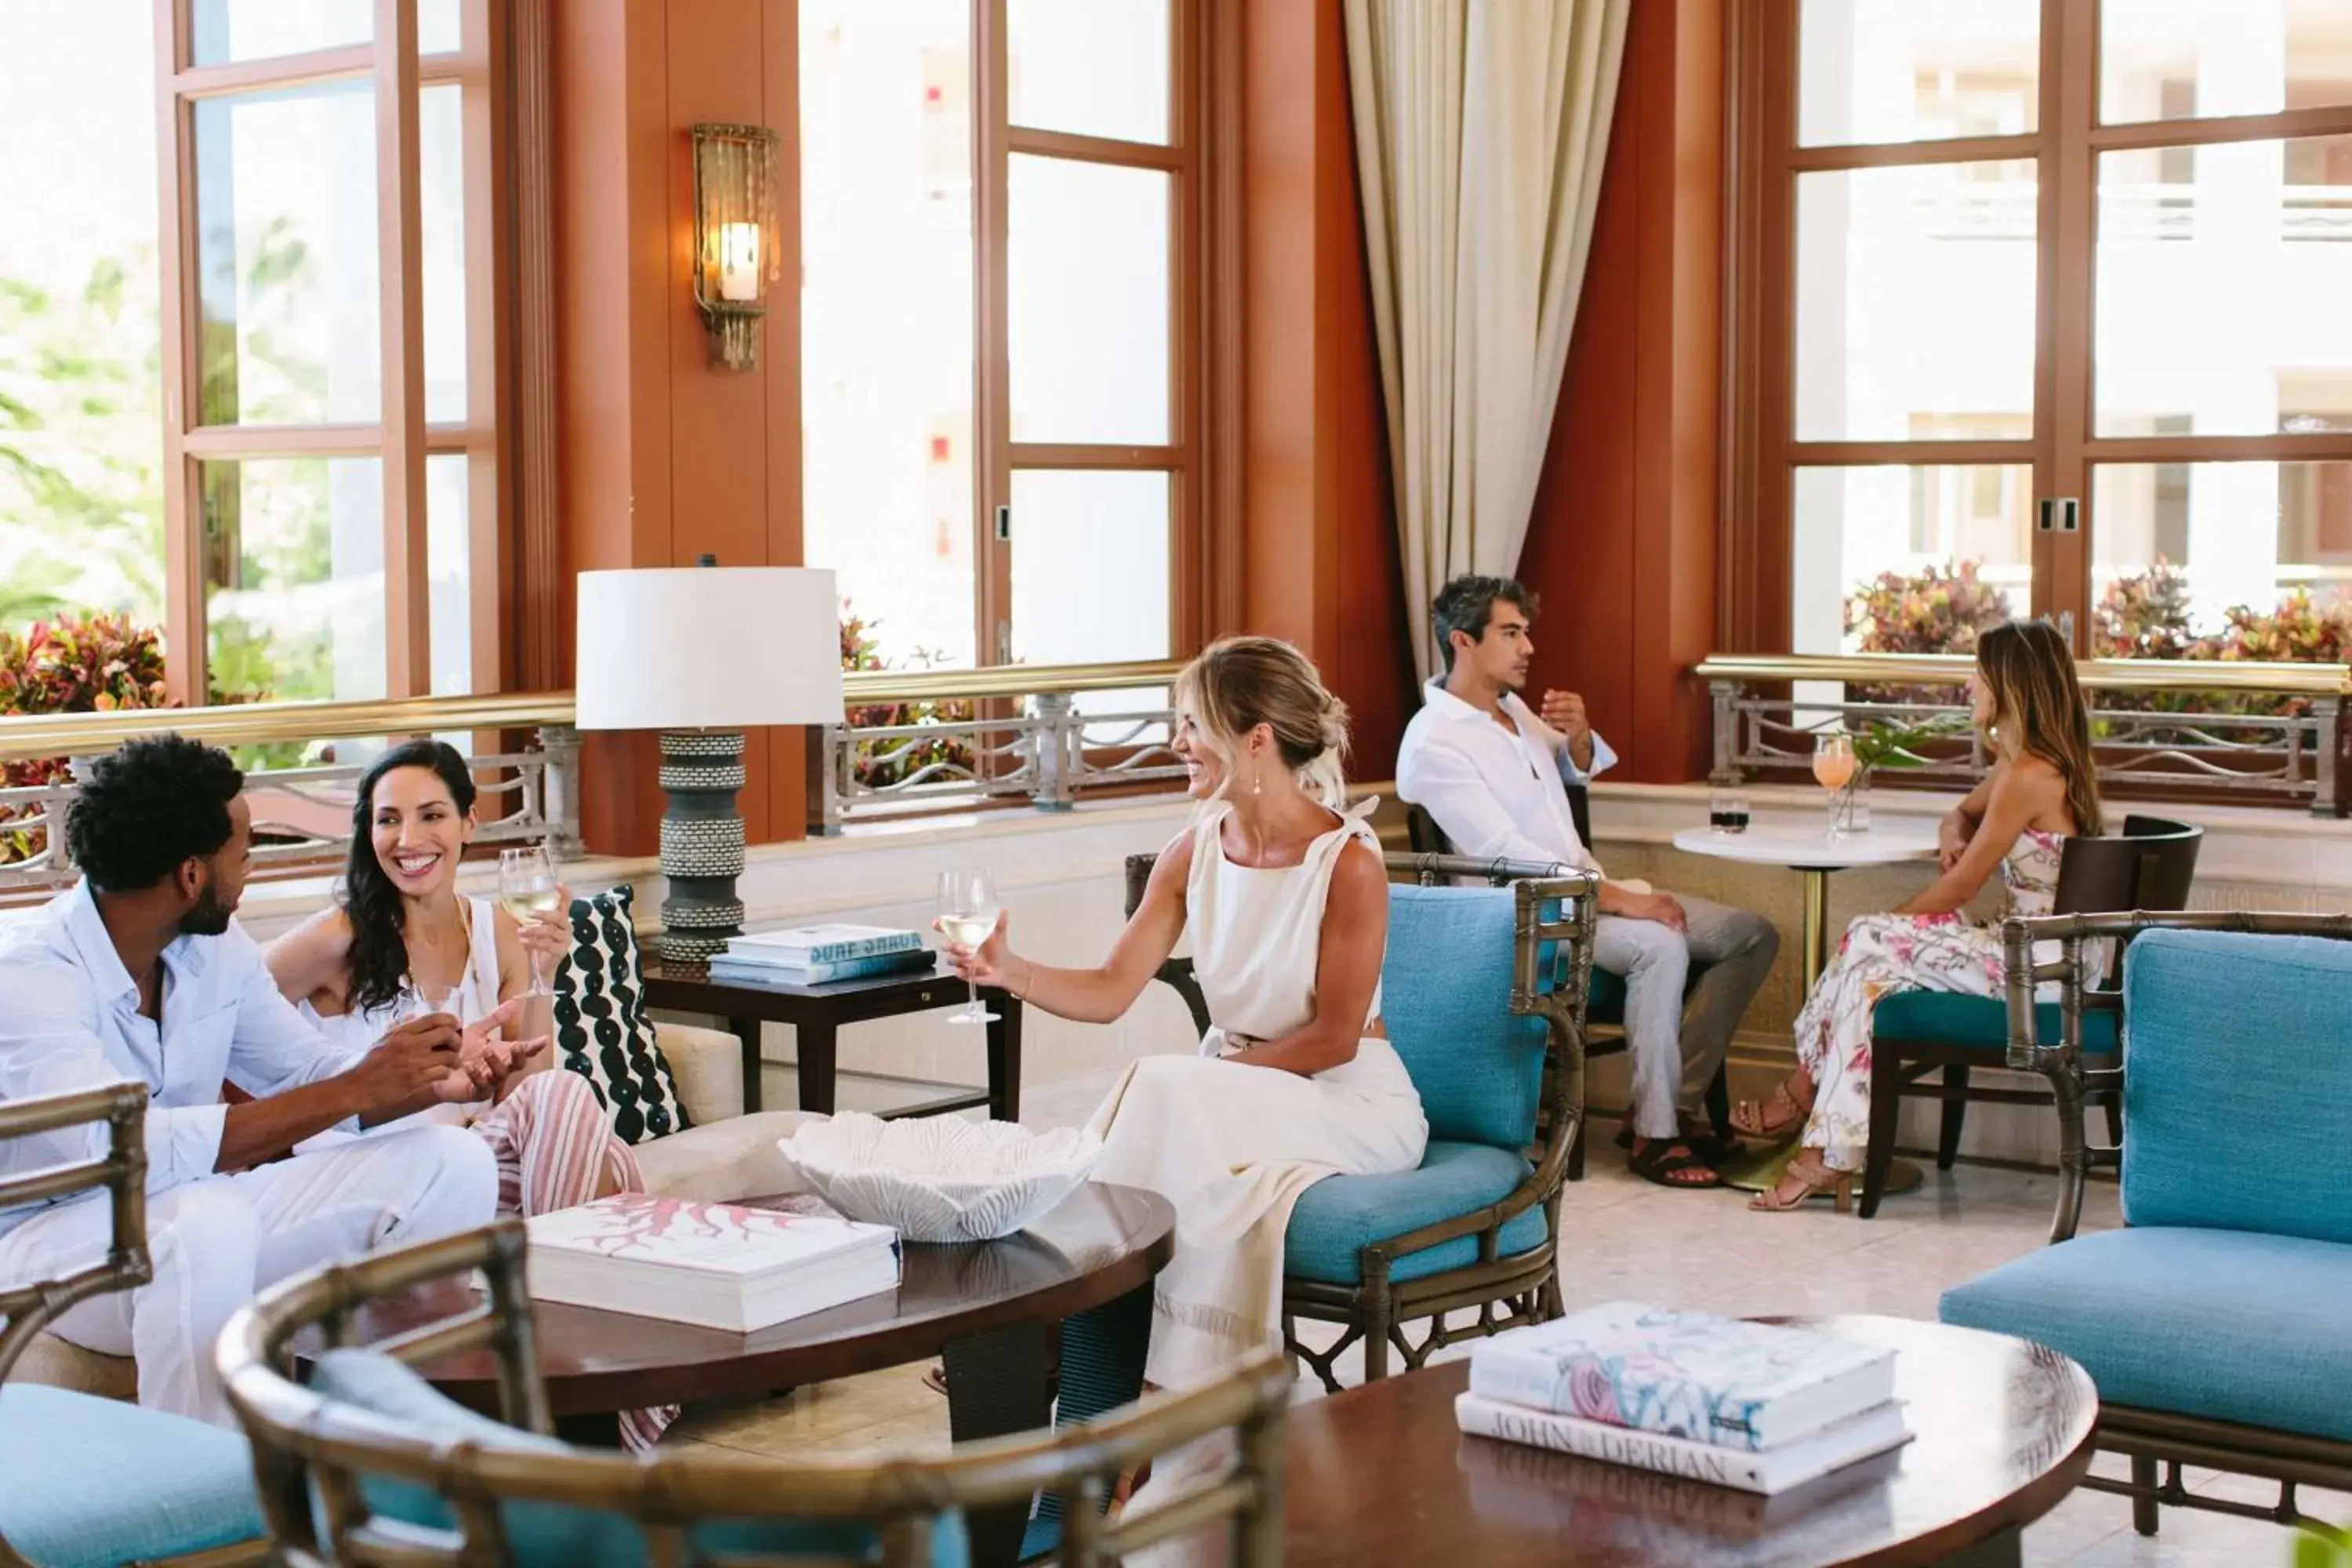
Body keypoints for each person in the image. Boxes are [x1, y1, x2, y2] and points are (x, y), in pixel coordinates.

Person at [938, 636, 1427, 1395]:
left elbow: (1334, 1039)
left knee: (1169, 1086)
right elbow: (1109, 987)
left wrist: (1215, 1078)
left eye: (1192, 724)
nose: (1177, 743)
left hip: (1350, 1100)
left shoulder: (1350, 862)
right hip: (1234, 1095)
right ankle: (1120, 1379)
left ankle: (1053, 1329)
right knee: (1176, 1105)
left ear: (1256, 738)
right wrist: (1009, 971)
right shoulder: (1190, 850)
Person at [0, 735, 527, 1428]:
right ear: (191, 875)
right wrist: (355, 1088)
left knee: (451, 1162)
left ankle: (383, 1444)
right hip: (45, 1245)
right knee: (205, 1224)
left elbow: (306, 1071)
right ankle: (209, 1505)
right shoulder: (30, 972)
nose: (250, 868)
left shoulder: (214, 947)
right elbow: (119, 1150)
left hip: (191, 1213)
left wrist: (430, 1081)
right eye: (243, 852)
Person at [1395, 574, 1780, 1189]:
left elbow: (1578, 763)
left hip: (1587, 892)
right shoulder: (1433, 743)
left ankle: (1669, 1101)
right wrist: (1627, 900)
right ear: (1463, 642)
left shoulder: (1511, 712)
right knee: (1660, 944)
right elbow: (1507, 854)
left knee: (1750, 934)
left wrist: (1577, 736)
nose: (1528, 648)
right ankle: (1658, 1136)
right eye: (1512, 633)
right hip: (1523, 918)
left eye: (1527, 632)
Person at [1738, 619, 2103, 1211]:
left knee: (1866, 936)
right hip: (2034, 951)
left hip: (2043, 967)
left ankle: (1802, 1099)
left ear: (2008, 686)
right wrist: (1950, 827)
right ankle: (1825, 1154)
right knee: (1868, 978)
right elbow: (1962, 812)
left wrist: (1891, 926)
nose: (1970, 685)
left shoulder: (2031, 775)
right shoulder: (2024, 762)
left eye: (1979, 675)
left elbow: (1961, 886)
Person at [266, 740, 638, 1218]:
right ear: (368, 832)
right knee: (600, 1144)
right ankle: (566, 1279)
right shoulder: (336, 939)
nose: (408, 839)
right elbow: (224, 1007)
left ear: (468, 823)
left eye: (432, 815)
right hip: (372, 1174)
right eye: (389, 820)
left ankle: (553, 1277)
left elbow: (526, 1094)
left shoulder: (500, 929)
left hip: (474, 1161)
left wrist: (543, 974)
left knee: (573, 1113)